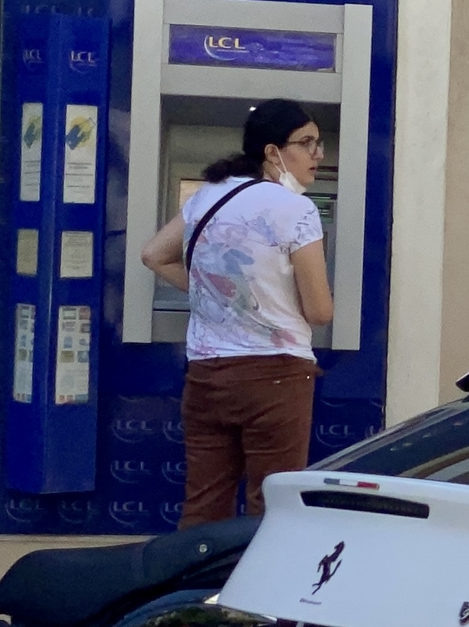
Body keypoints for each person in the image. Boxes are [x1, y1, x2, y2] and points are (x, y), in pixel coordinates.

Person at [137, 98, 333, 523]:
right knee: (272, 509)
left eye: (318, 143)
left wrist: (221, 296)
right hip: (275, 377)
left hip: (207, 376)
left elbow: (153, 254)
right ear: (272, 152)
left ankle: (194, 587)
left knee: (203, 506)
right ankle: (257, 589)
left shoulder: (206, 197)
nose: (318, 154)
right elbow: (319, 310)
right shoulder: (297, 209)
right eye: (307, 143)